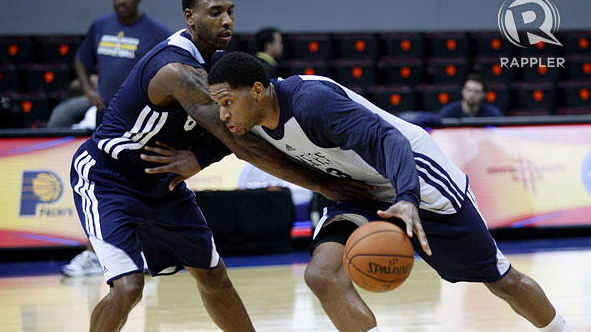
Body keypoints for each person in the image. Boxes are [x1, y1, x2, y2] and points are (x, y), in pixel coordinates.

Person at [70, 0, 373, 331]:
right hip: (109, 179)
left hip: (161, 185)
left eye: (230, 12)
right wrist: (323, 185)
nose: (227, 20)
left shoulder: (220, 66)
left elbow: (235, 127)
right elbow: (241, 144)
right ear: (190, 17)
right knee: (128, 287)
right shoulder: (176, 69)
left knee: (214, 276)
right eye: (215, 12)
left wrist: (199, 158)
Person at [200, 51, 572, 332]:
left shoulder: (313, 103)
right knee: (322, 275)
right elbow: (227, 146)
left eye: (227, 103)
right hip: (358, 188)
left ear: (259, 91)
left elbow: (388, 137)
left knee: (501, 280)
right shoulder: (248, 122)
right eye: (219, 106)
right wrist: (193, 160)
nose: (224, 114)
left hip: (416, 175)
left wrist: (407, 198)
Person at [61, 0, 174, 276]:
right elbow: (81, 59)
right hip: (106, 120)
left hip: (139, 123)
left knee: (141, 185)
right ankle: (93, 253)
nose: (120, 1)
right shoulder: (101, 26)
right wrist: (87, 88)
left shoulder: (157, 32)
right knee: (101, 187)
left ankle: (146, 252)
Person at [438, 71, 504, 118]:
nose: (472, 95)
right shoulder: (447, 112)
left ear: (484, 95)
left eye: (476, 92)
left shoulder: (493, 114)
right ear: (462, 91)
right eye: (468, 90)